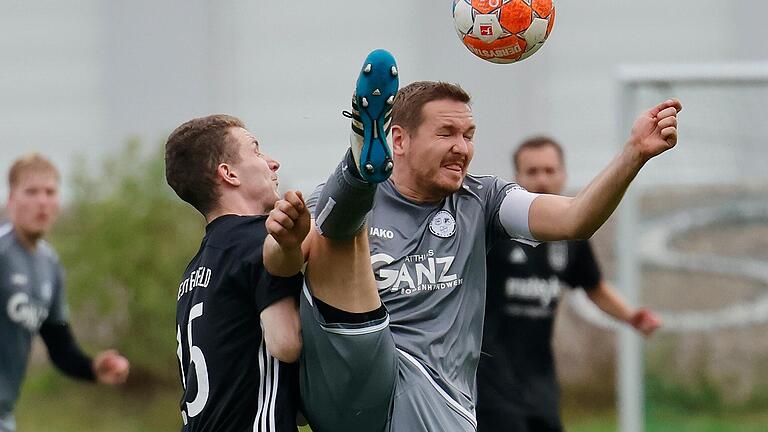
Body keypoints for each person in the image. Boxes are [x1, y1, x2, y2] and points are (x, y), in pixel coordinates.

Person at [264, 49, 681, 432]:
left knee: (343, 227)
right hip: (349, 377)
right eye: (446, 133)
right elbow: (282, 264)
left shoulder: (483, 199)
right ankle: (358, 170)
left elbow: (574, 220)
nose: (462, 148)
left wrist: (634, 154)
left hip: (437, 394)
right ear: (399, 140)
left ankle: (355, 168)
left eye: (469, 135)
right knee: (340, 234)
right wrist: (286, 240)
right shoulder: (326, 199)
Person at [477, 136, 662, 432]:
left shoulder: (570, 236)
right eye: (532, 171)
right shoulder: (494, 230)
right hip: (488, 384)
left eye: (549, 171)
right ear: (517, 178)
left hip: (540, 383)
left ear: (563, 175)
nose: (542, 179)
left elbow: (593, 286)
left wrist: (630, 315)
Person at [165, 114, 304, 432]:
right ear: (228, 174)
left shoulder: (196, 269)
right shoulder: (256, 239)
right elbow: (285, 343)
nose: (273, 162)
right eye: (256, 150)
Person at [0, 154, 130, 432]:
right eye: (31, 192)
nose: (42, 201)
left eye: (50, 192)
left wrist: (93, 367)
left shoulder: (50, 265)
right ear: (11, 200)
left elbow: (59, 346)